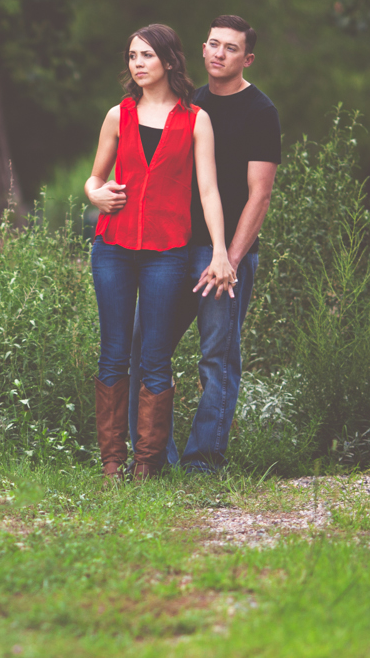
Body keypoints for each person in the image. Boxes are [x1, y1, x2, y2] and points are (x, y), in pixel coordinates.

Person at [85, 24, 235, 480]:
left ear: (169, 61)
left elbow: (208, 191)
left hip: (166, 252)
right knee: (112, 353)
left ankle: (147, 464)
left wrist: (221, 253)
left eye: (147, 55)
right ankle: (113, 463)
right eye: (132, 56)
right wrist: (95, 195)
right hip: (112, 247)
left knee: (154, 355)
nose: (138, 64)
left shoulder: (196, 120)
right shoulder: (118, 115)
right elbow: (94, 178)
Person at [141, 15, 281, 473]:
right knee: (148, 347)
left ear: (248, 58)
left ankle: (203, 463)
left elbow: (259, 194)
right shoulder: (189, 103)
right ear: (202, 49)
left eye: (231, 48)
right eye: (214, 45)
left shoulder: (260, 111)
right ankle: (154, 457)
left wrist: (231, 259)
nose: (220, 54)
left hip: (224, 257)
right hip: (175, 250)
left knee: (216, 359)